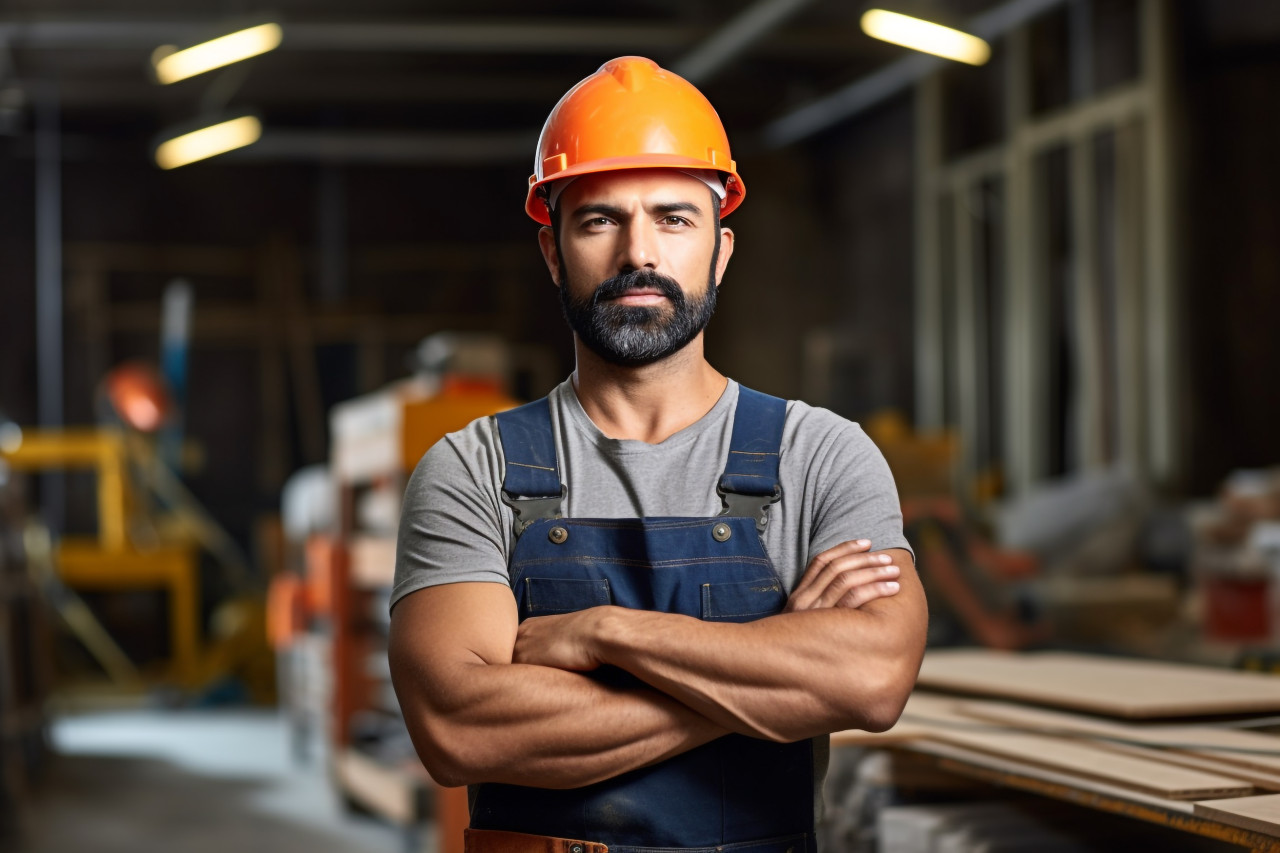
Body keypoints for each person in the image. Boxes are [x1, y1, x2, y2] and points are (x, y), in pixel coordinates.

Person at [389, 56, 927, 853]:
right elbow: (458, 729)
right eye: (598, 220)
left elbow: (873, 680)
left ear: (721, 250)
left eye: (674, 218)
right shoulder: (472, 470)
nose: (638, 252)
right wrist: (774, 668)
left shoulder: (821, 456)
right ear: (552, 251)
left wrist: (606, 633)